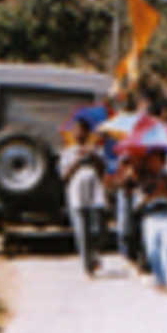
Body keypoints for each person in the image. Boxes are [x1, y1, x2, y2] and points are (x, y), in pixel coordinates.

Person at [59, 116, 106, 275]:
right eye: (76, 130)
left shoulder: (95, 150)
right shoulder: (68, 152)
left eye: (82, 130)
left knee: (97, 228)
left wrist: (93, 156)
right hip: (77, 195)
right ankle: (88, 265)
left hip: (95, 195)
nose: (78, 133)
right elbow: (64, 176)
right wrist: (77, 161)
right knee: (82, 231)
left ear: (87, 133)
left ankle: (95, 255)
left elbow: (102, 171)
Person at [137, 149, 167, 292]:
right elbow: (139, 202)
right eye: (151, 160)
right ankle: (159, 278)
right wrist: (153, 195)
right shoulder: (144, 179)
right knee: (152, 249)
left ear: (163, 161)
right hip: (150, 216)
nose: (153, 163)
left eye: (156, 159)